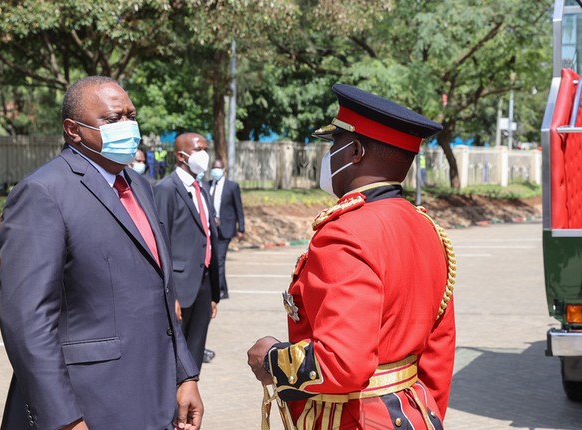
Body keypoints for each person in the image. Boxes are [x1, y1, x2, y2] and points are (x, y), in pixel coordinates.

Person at [0, 76, 203, 429]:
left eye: (130, 116)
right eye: (112, 120)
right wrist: (64, 418)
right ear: (73, 130)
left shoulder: (139, 185)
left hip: (154, 397)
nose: (127, 126)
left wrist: (185, 375)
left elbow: (160, 293)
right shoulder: (44, 193)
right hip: (89, 406)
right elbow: (27, 320)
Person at [247, 84, 456, 429]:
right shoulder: (428, 228)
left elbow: (342, 362)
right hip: (415, 414)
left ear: (355, 151)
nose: (328, 156)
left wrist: (271, 358)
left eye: (334, 144)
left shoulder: (344, 233)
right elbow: (438, 352)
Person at [154, 133, 221, 370]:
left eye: (205, 148)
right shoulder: (166, 189)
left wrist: (214, 292)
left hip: (203, 286)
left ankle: (189, 401)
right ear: (181, 155)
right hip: (179, 289)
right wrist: (169, 295)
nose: (204, 154)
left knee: (194, 353)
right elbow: (159, 244)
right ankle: (172, 407)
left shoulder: (201, 189)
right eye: (198, 149)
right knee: (174, 359)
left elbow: (209, 238)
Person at [208, 158, 245, 299]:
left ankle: (218, 290)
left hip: (226, 229)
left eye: (218, 168)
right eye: (213, 168)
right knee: (214, 260)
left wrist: (241, 228)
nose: (215, 171)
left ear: (223, 170)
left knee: (219, 259)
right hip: (211, 229)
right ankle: (223, 289)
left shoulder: (232, 186)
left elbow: (238, 208)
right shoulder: (207, 185)